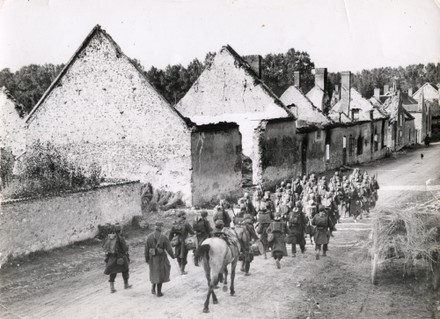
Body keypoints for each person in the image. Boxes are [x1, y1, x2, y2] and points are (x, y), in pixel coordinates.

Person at [145, 221, 175, 297]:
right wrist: (173, 256)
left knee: (154, 273)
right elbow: (169, 249)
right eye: (162, 226)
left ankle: (153, 289)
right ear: (160, 227)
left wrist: (147, 259)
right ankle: (159, 292)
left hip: (152, 258)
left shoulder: (149, 237)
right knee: (161, 274)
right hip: (161, 258)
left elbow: (146, 250)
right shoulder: (163, 237)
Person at [103, 224, 131, 293]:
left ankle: (112, 288)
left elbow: (104, 246)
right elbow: (125, 248)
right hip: (120, 257)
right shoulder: (120, 238)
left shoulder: (110, 237)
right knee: (125, 269)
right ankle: (126, 284)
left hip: (111, 257)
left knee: (112, 272)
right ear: (120, 230)